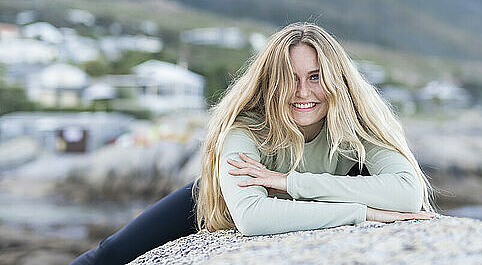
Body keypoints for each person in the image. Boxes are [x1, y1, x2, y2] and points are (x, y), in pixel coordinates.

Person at [71, 22, 437, 264]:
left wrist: (289, 183)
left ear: (337, 80)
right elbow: (252, 217)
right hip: (215, 204)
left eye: (315, 77)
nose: (304, 93)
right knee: (110, 255)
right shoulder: (246, 129)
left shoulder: (358, 125)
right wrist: (365, 214)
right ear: (271, 82)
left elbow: (407, 194)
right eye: (289, 79)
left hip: (295, 200)